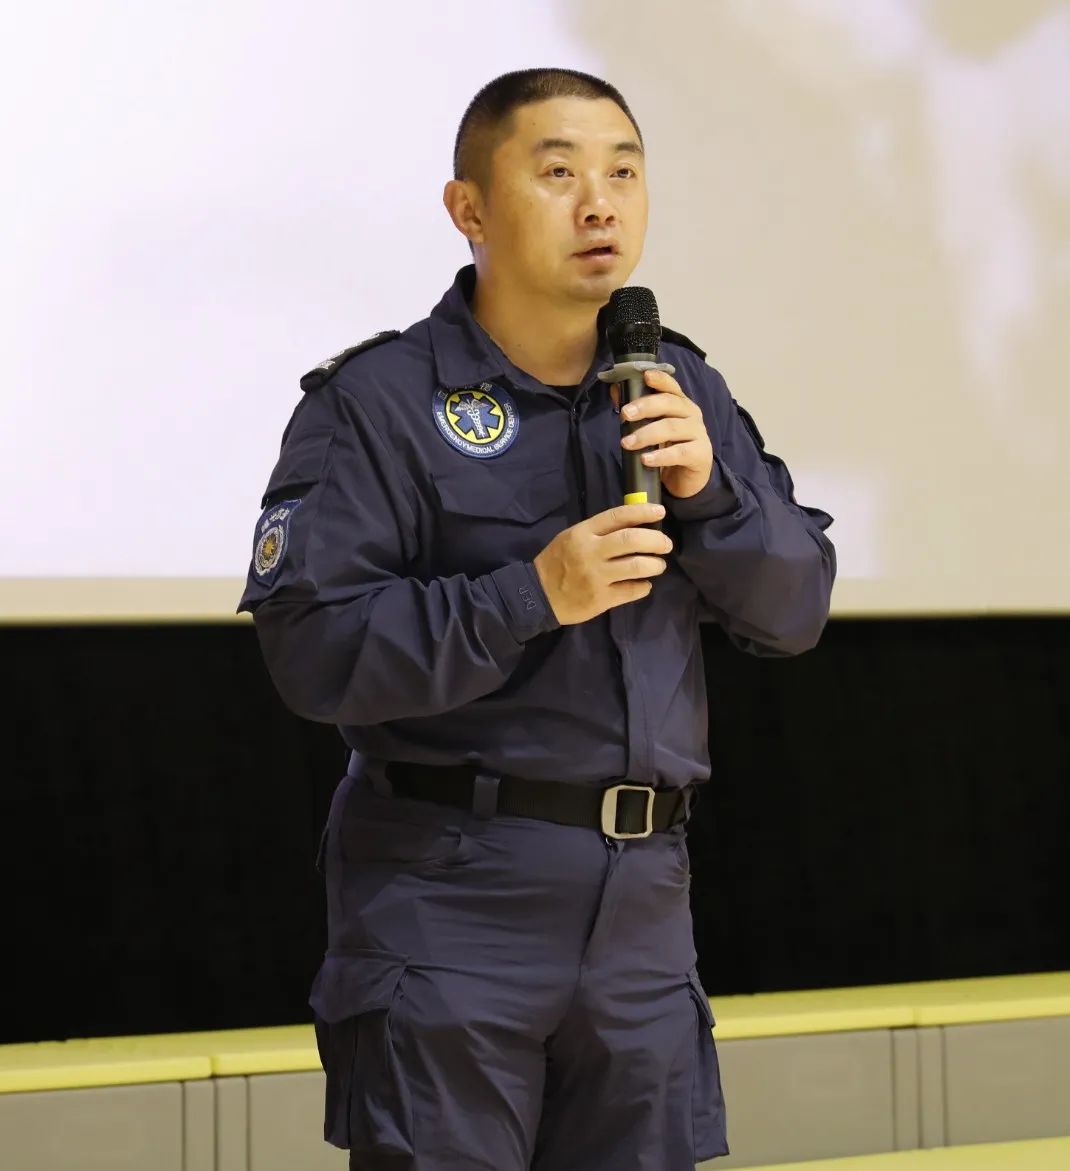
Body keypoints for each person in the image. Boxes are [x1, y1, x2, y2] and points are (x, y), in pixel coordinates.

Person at [238, 67, 835, 1171]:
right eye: (558, 173)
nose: (599, 204)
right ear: (468, 209)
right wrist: (530, 596)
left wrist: (713, 495)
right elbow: (314, 653)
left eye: (623, 173)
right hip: (450, 894)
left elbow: (795, 610)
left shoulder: (676, 388)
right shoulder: (375, 403)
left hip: (644, 903)